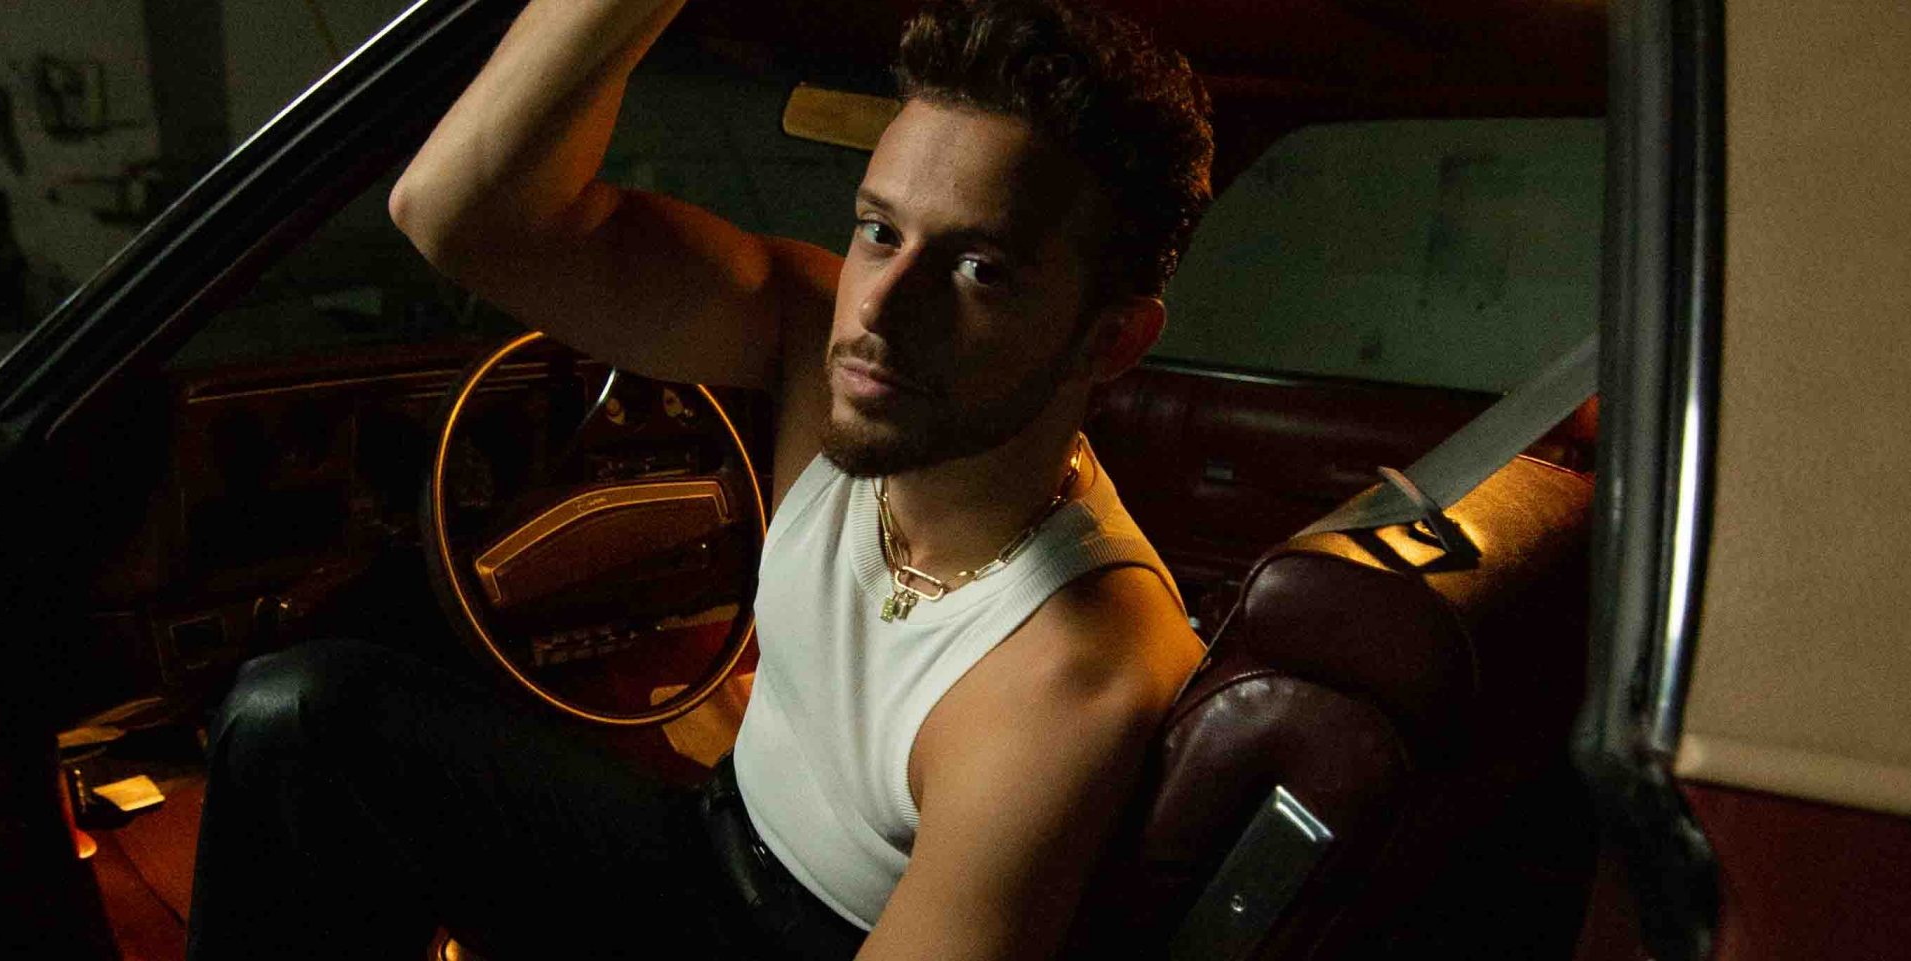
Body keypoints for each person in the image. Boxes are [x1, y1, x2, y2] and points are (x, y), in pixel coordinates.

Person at [185, 0, 1214, 957]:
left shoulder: (1072, 674)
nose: (879, 309)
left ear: (1112, 338)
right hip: (701, 844)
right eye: (878, 230)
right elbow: (456, 213)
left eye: (979, 269)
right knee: (299, 719)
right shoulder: (822, 342)